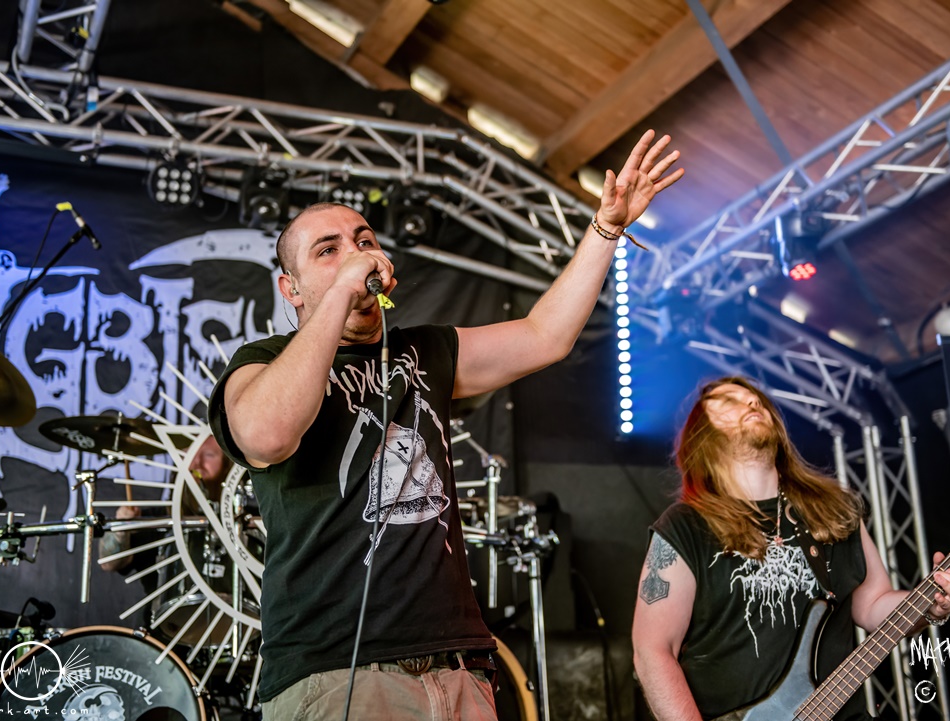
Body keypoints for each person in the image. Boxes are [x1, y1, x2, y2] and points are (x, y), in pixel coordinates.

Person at [207, 130, 685, 720]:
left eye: (364, 241)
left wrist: (605, 229)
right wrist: (338, 296)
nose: (355, 254)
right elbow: (267, 434)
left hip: (458, 667)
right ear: (291, 288)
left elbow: (546, 336)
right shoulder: (262, 362)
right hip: (336, 672)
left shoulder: (424, 352)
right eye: (327, 250)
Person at [631, 377, 950, 721]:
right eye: (730, 400)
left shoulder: (834, 510)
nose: (752, 403)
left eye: (756, 400)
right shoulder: (686, 526)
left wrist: (930, 604)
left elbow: (873, 606)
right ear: (701, 435)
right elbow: (653, 651)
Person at [99, 435, 231, 572]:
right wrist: (121, 530)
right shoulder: (155, 520)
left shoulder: (238, 518)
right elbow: (107, 564)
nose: (197, 462)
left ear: (227, 465)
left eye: (209, 455)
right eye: (189, 453)